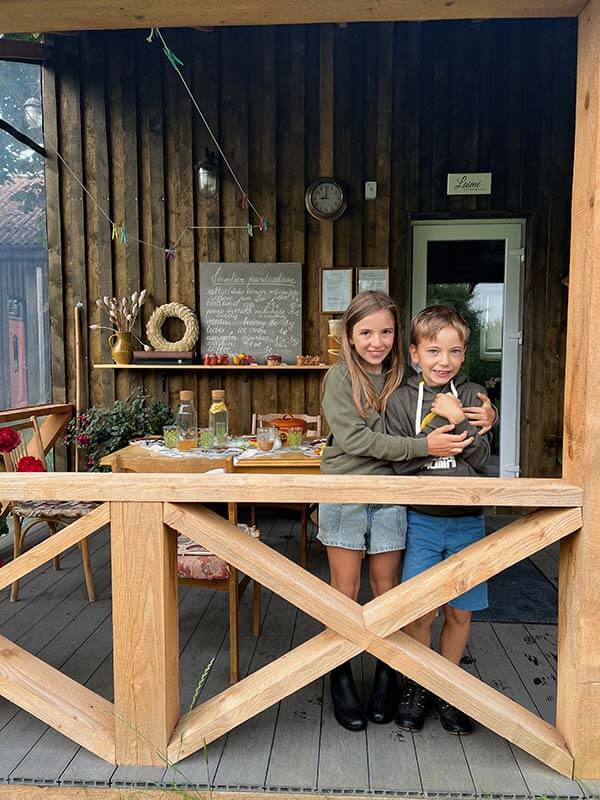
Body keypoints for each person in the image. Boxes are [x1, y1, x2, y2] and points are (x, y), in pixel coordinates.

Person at [318, 291, 495, 732]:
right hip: (349, 490)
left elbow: (452, 406)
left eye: (385, 332)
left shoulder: (399, 379)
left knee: (389, 590)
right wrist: (427, 445)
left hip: (396, 496)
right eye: (365, 332)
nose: (376, 341)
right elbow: (359, 441)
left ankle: (388, 675)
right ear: (350, 336)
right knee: (344, 587)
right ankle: (339, 676)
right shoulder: (341, 378)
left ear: (399, 340)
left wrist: (480, 415)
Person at [385, 305, 492, 736]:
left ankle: (447, 688)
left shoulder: (475, 397)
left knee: (460, 612)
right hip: (421, 522)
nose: (442, 361)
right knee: (419, 612)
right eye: (433, 350)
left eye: (452, 351)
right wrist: (428, 446)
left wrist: (456, 417)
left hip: (467, 521)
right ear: (414, 354)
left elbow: (483, 460)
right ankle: (418, 685)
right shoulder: (400, 399)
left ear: (463, 355)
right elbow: (397, 464)